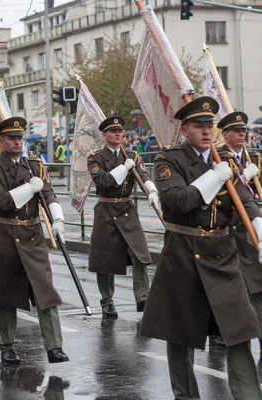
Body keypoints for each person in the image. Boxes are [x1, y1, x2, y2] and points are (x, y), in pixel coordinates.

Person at [140, 97, 262, 400]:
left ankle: (248, 394)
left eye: (210, 126)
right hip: (183, 252)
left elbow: (246, 203)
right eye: (199, 126)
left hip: (222, 253)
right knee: (180, 333)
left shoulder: (224, 161)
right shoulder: (168, 160)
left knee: (239, 330)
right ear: (186, 130)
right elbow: (180, 200)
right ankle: (186, 395)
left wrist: (261, 233)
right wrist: (213, 177)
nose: (207, 131)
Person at [0, 116, 68, 365]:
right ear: (2, 140)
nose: (17, 142)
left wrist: (58, 219)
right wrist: (29, 188)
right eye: (12, 138)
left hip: (32, 235)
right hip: (6, 236)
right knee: (5, 294)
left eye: (20, 138)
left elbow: (48, 192)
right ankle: (7, 346)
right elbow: (1, 201)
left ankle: (54, 346)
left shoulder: (35, 164)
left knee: (45, 292)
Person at [87, 116, 157, 318]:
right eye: (113, 131)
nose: (118, 134)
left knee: (141, 254)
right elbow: (105, 181)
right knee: (104, 260)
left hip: (127, 209)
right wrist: (124, 168)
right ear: (105, 135)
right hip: (106, 211)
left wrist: (151, 191)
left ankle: (142, 297)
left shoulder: (132, 155)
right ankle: (107, 300)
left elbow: (143, 175)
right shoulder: (96, 158)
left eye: (120, 131)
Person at [216, 111, 262, 350]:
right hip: (229, 226)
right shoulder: (219, 157)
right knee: (227, 284)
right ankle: (218, 329)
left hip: (252, 226)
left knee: (256, 284)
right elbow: (226, 189)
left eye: (243, 130)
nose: (241, 134)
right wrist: (244, 175)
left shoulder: (252, 156)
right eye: (236, 131)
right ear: (224, 135)